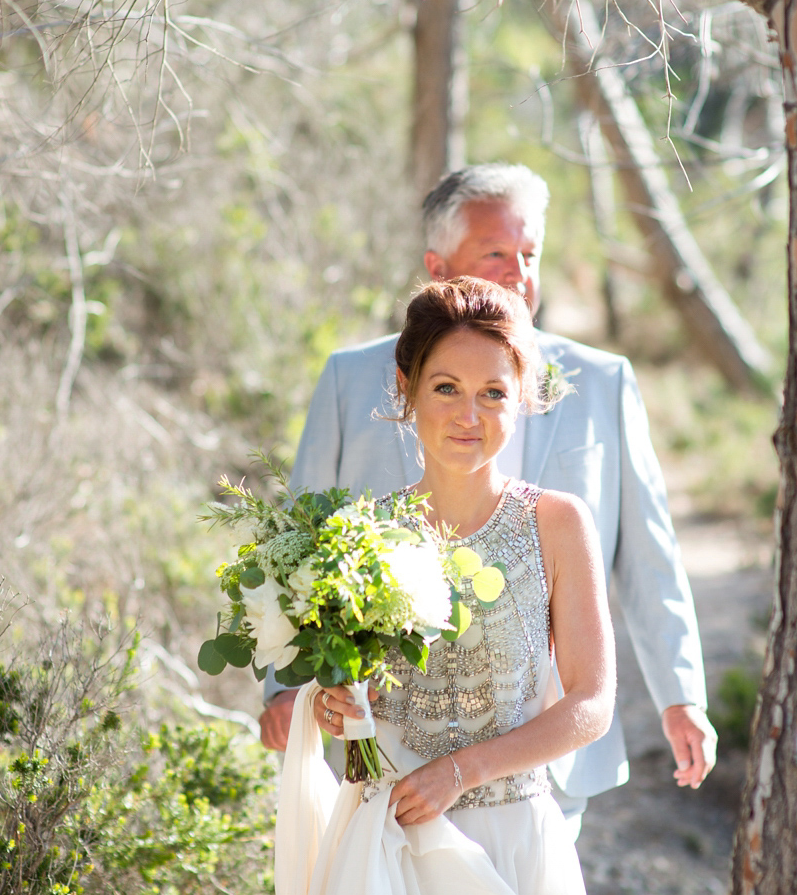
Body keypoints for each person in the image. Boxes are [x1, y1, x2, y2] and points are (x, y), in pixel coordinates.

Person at [237, 278, 614, 895]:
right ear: (403, 392)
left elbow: (589, 702)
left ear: (526, 397)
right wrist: (338, 710)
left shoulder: (556, 524)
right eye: (446, 388)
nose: (469, 414)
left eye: (494, 391)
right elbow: (359, 694)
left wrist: (464, 769)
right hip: (392, 857)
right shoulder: (362, 537)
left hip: (511, 853)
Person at [260, 163, 715, 822]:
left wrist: (682, 696)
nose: (518, 274)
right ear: (437, 266)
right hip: (389, 754)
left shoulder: (603, 381)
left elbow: (648, 553)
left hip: (542, 754)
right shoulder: (352, 379)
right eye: (495, 253)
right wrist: (288, 688)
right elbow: (298, 546)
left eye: (528, 254)